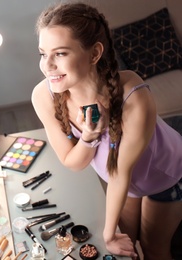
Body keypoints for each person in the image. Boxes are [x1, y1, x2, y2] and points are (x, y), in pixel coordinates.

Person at [31, 3, 182, 259]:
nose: (48, 66)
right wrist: (88, 138)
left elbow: (120, 173)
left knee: (153, 248)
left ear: (94, 53)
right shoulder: (42, 96)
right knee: (128, 249)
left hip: (165, 174)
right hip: (125, 183)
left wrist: (109, 235)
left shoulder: (135, 98)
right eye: (43, 54)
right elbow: (73, 162)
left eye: (60, 53)